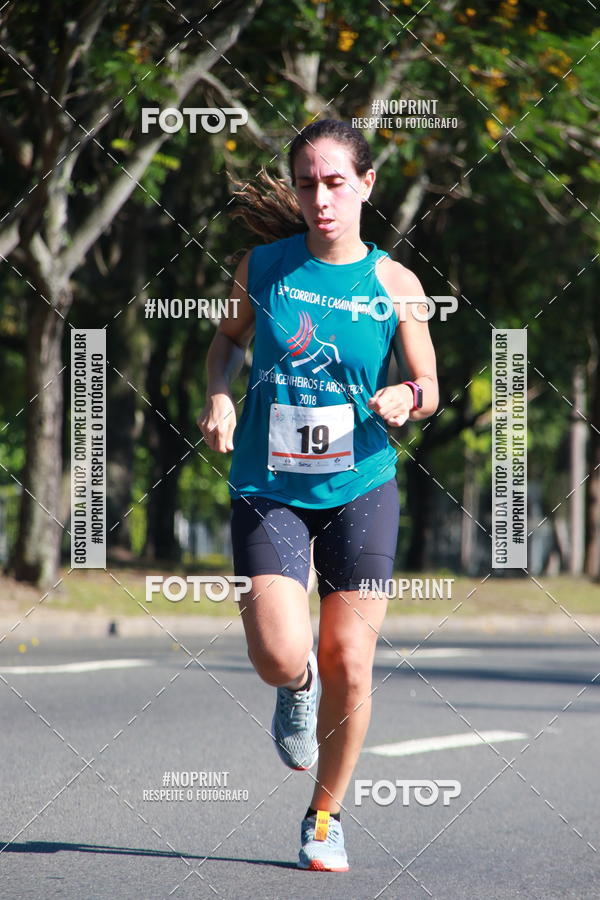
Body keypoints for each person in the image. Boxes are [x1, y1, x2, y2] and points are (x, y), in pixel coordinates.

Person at [198, 118, 438, 872]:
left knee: (352, 660)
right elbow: (227, 341)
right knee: (280, 654)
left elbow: (429, 382)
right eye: (307, 184)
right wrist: (220, 395)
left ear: (367, 185)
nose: (320, 197)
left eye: (336, 182)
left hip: (361, 484)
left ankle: (325, 818)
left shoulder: (396, 284)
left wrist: (407, 396)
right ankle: (294, 687)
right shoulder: (263, 266)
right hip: (270, 485)